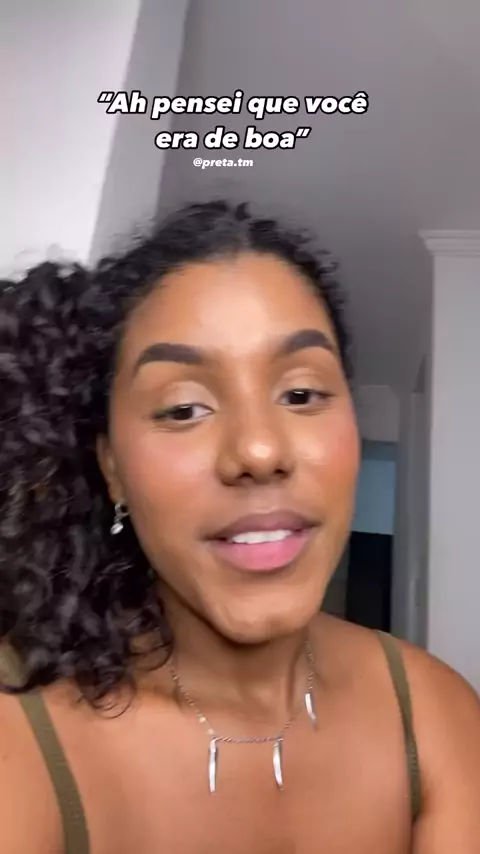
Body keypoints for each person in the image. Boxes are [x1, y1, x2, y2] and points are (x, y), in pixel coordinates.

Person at [0, 200, 478, 854]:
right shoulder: (21, 742)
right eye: (183, 409)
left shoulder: (434, 713)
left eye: (301, 394)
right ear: (112, 469)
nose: (258, 450)